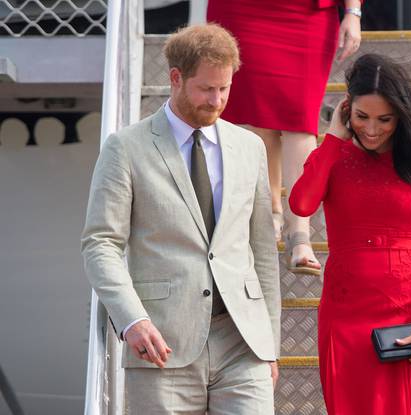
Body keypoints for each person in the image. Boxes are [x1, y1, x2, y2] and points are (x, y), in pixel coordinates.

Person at [81, 24, 281, 414]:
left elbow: (262, 252)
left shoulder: (250, 147)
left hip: (243, 343)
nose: (217, 99)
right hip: (160, 342)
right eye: (207, 88)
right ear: (176, 78)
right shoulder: (125, 147)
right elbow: (100, 243)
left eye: (224, 88)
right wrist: (131, 319)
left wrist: (269, 342)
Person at [289, 54, 411, 414]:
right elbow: (301, 203)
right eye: (362, 117)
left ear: (401, 116)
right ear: (347, 110)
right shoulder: (333, 156)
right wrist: (332, 140)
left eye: (385, 120)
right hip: (345, 313)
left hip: (410, 312)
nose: (372, 129)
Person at [207, 0, 363, 276]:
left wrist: (352, 12)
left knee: (300, 121)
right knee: (259, 116)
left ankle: (299, 233)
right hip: (243, 11)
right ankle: (271, 212)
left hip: (305, 14)